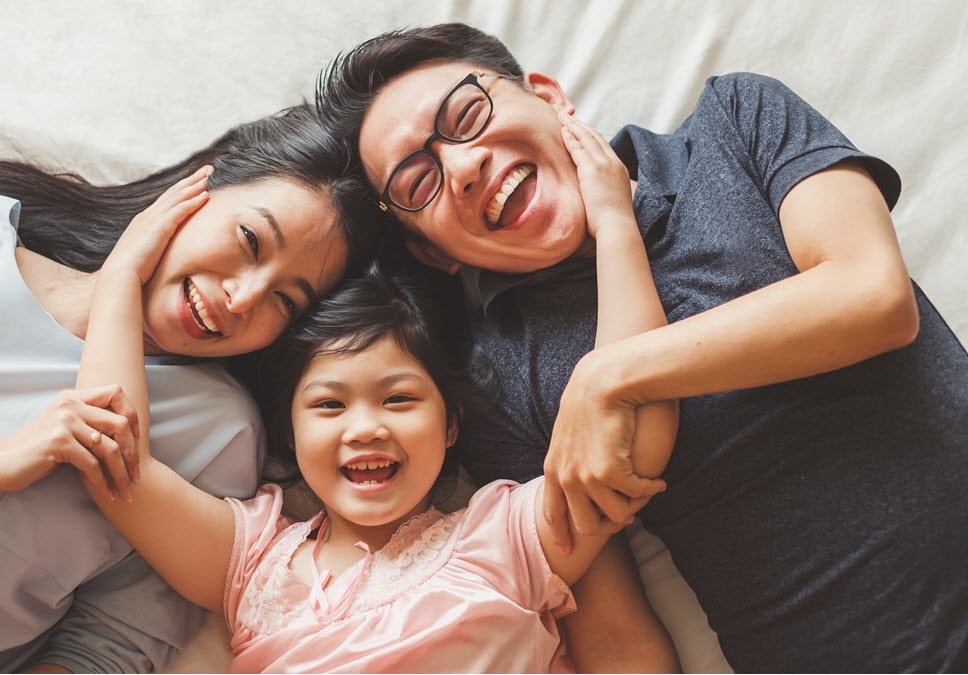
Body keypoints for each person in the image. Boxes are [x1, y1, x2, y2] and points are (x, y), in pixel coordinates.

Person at [312, 21, 968, 672]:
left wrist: (610, 375)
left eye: (467, 113)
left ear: (548, 97)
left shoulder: (736, 120)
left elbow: (873, 296)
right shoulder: (499, 377)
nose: (461, 167)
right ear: (432, 251)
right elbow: (618, 638)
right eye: (416, 184)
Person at [0, 104, 379, 672]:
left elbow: (108, 649)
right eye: (250, 241)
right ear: (194, 190)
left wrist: (120, 283)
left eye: (284, 300)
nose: (242, 298)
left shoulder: (217, 433)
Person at [69, 109, 681, 672]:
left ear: (451, 424)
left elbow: (631, 432)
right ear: (289, 431)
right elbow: (114, 457)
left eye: (399, 399)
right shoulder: (252, 563)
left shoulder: (505, 537)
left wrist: (615, 227)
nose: (366, 427)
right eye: (329, 404)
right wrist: (122, 276)